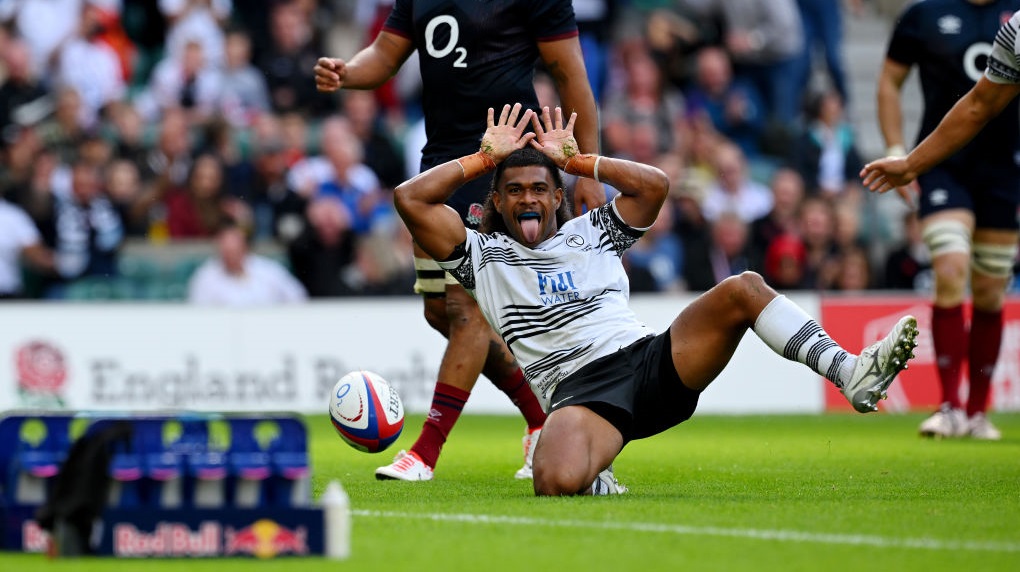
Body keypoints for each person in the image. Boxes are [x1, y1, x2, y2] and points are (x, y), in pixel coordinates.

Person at [393, 103, 919, 496]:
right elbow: (409, 199)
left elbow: (656, 186)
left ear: (556, 197)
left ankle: (851, 372)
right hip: (579, 395)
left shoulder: (592, 231)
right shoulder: (480, 257)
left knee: (744, 288)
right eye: (513, 190)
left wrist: (579, 163)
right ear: (499, 201)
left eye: (538, 187)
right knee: (553, 483)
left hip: (651, 364)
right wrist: (485, 157)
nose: (527, 197)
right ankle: (597, 468)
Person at [313, 0, 604, 481]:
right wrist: (347, 72)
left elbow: (571, 73)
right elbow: (384, 57)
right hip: (442, 159)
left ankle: (424, 453)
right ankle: (542, 420)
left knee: (467, 311)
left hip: (506, 155)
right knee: (440, 313)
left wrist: (587, 166)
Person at [861, 4, 1020, 440]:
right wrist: (902, 154)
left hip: (1005, 170)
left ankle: (977, 413)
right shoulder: (925, 15)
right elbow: (975, 104)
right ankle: (951, 407)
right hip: (946, 165)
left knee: (989, 289)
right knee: (950, 268)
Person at [187, 217, 308, 306]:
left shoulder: (270, 271)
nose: (231, 256)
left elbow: (298, 297)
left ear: (245, 248)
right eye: (227, 251)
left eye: (235, 251)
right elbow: (198, 313)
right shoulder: (205, 277)